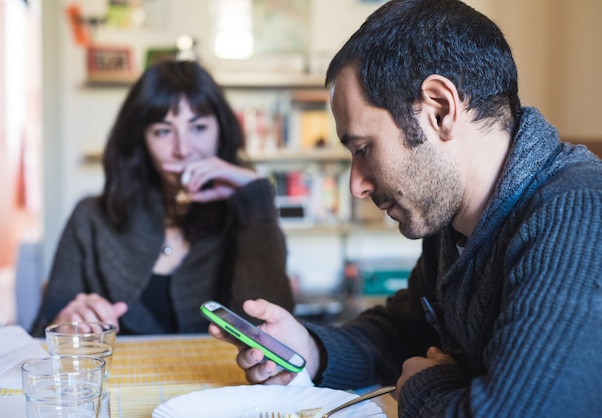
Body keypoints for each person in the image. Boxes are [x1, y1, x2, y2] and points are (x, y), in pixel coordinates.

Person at [209, 0, 602, 416]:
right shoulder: (455, 223)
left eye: (363, 149)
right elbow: (403, 333)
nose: (356, 185)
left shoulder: (576, 214)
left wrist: (423, 383)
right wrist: (310, 349)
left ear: (439, 109)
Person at [31, 60, 295, 336]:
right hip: (119, 378)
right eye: (164, 131)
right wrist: (65, 322)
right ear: (140, 140)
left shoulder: (249, 218)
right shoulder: (91, 218)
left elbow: (273, 339)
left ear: (221, 131)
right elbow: (40, 332)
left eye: (198, 127)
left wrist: (256, 198)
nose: (183, 150)